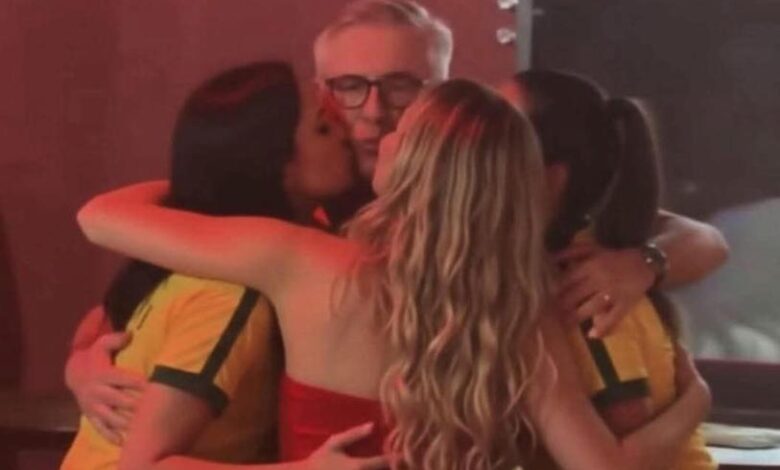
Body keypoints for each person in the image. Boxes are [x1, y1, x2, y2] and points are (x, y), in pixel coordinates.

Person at [67, 0, 726, 448]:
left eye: (403, 87)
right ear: (321, 93)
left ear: (445, 91)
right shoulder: (291, 220)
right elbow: (118, 311)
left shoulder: (494, 224)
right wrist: (82, 368)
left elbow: (691, 235)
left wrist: (642, 260)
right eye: (348, 87)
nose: (374, 110)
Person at [61, 61, 386, 470]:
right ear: (272, 163)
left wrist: (79, 367)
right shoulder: (231, 293)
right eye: (323, 128)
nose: (347, 134)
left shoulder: (242, 251)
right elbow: (142, 465)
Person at [502, 69, 715, 469]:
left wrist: (698, 399)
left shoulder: (587, 295)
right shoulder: (570, 262)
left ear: (552, 178)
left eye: (500, 137)